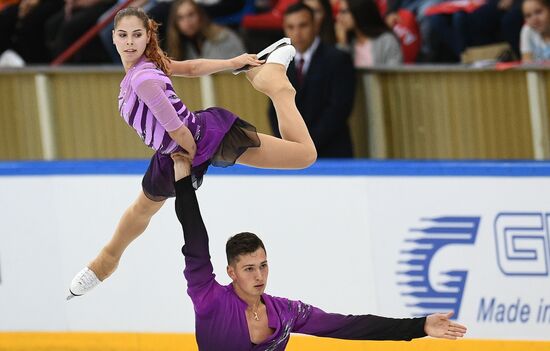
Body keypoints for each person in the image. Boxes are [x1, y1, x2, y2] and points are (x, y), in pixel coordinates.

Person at [67, 7, 317, 298]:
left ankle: (277, 86)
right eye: (123, 35)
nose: (129, 42)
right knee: (141, 209)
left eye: (137, 35)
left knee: (304, 155)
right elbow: (192, 68)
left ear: (147, 36)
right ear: (113, 38)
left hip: (201, 139)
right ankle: (103, 264)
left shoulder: (143, 78)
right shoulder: (148, 65)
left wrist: (188, 154)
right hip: (174, 151)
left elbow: (175, 126)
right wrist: (233, 62)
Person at [170, 152, 468, 350]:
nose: (260, 275)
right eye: (249, 269)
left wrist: (419, 325)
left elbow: (348, 325)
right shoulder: (209, 299)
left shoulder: (285, 312)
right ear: (231, 272)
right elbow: (195, 242)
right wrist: (183, 181)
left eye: (263, 265)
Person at [269, 3, 355, 158]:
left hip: (332, 154)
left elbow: (338, 109)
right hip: (293, 155)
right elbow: (273, 109)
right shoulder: (280, 63)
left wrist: (305, 145)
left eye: (303, 25)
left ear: (315, 25)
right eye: (290, 27)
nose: (297, 33)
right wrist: (288, 145)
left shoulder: (338, 59)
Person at [166, 0, 245, 60]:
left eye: (191, 14)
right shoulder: (178, 47)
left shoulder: (224, 37)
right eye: (180, 18)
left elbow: (243, 68)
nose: (187, 22)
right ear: (175, 23)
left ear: (200, 15)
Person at [336, 0, 403, 66]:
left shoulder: (387, 41)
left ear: (359, 10)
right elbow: (341, 73)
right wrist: (342, 44)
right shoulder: (347, 42)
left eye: (343, 12)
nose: (338, 17)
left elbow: (392, 74)